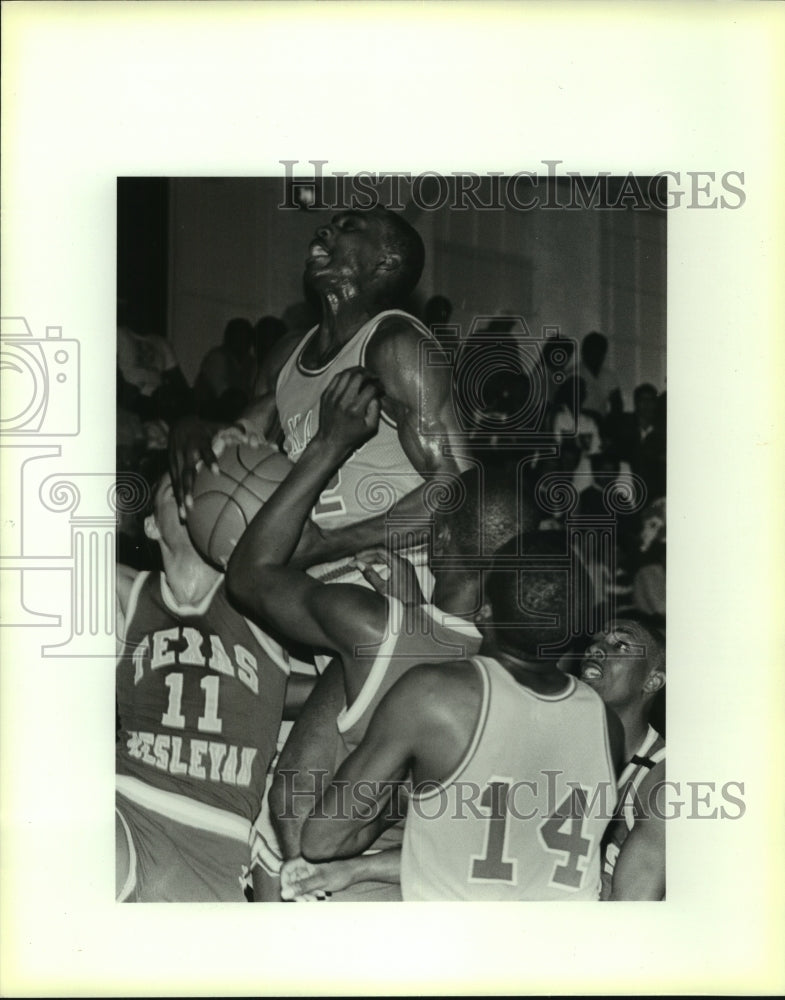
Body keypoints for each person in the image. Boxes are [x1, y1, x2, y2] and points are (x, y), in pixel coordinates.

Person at [225, 368, 535, 900]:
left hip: (329, 897)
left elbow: (248, 574)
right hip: (419, 900)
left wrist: (330, 443)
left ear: (436, 535)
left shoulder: (376, 629)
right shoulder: (523, 683)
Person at [297, 528, 624, 901]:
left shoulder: (433, 695)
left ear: (483, 610)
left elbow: (322, 840)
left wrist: (407, 797)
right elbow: (502, 849)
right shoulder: (605, 724)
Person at [169, 206, 465, 565]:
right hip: (304, 573)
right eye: (329, 223)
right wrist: (191, 431)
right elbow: (243, 441)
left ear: (386, 261)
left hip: (388, 574)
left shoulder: (396, 346)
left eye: (349, 227)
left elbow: (457, 489)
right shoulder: (285, 354)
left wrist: (331, 543)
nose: (325, 230)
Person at [115, 472, 313, 902]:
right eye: (177, 488)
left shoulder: (264, 601)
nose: (192, 495)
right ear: (150, 525)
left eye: (201, 487)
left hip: (215, 838)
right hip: (125, 807)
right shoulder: (124, 593)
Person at [579, 613, 666, 900]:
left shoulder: (663, 780)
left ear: (652, 681)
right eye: (596, 641)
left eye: (621, 646)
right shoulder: (563, 745)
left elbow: (629, 924)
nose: (595, 648)